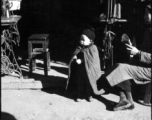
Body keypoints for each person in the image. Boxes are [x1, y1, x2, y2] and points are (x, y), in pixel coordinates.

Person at [97, 3, 151, 111]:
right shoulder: (148, 31)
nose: (144, 16)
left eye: (147, 14)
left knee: (122, 69)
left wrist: (138, 53)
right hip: (145, 65)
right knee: (119, 65)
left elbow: (142, 54)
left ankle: (128, 101)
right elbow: (141, 53)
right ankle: (124, 99)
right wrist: (132, 50)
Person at [66, 28, 104, 102]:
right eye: (81, 39)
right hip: (80, 70)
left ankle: (89, 95)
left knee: (89, 83)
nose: (81, 41)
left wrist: (82, 60)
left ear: (90, 40)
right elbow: (76, 54)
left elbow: (93, 60)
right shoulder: (80, 47)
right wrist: (75, 57)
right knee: (79, 83)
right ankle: (79, 95)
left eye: (83, 40)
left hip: (89, 71)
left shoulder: (93, 48)